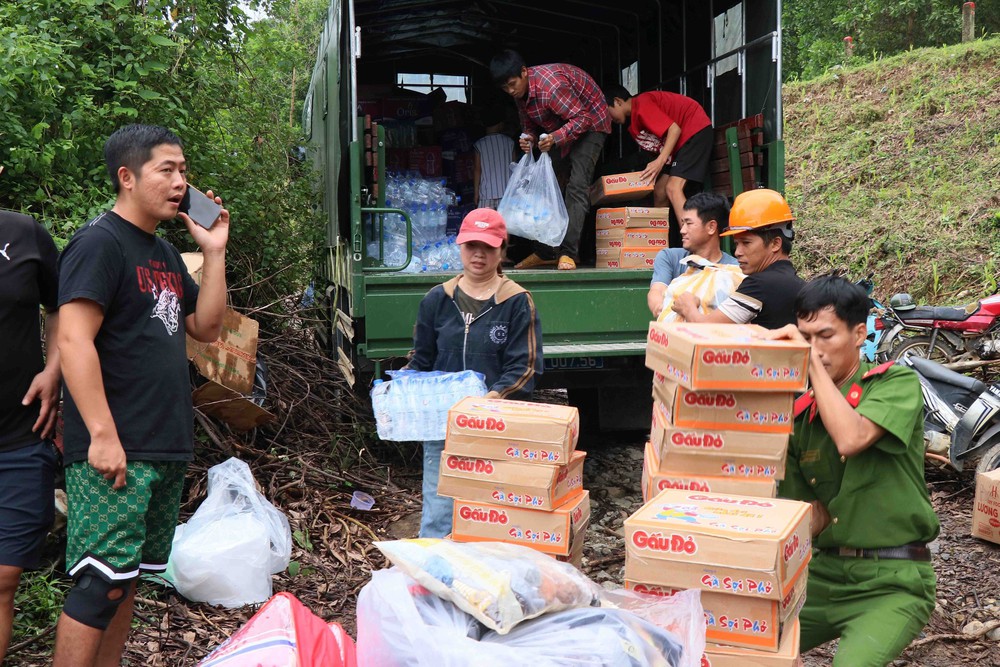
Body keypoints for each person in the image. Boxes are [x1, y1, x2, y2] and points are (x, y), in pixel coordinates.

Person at [54, 124, 230, 667]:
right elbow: (72, 338)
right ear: (127, 177)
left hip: (162, 443)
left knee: (126, 582)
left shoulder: (164, 254)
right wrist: (102, 436)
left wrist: (215, 251)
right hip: (114, 447)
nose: (180, 182)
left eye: (183, 171)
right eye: (166, 170)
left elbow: (206, 327)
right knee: (98, 584)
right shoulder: (98, 244)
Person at [763, 275, 939, 666]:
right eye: (806, 337)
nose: (816, 348)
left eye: (825, 335)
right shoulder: (800, 417)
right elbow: (799, 517)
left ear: (860, 333)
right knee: (739, 643)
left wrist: (809, 365)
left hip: (893, 581)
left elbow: (851, 438)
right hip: (824, 578)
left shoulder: (895, 383)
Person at [408, 208, 543, 537]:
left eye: (488, 246)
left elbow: (524, 367)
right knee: (439, 513)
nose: (479, 254)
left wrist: (489, 401)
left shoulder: (517, 302)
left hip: (496, 426)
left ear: (502, 250)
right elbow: (421, 359)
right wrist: (404, 389)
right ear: (460, 247)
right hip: (443, 425)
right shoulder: (437, 299)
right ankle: (435, 583)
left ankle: (485, 584)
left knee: (490, 514)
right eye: (471, 245)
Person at [0, 210, 60, 662]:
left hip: (19, 435)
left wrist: (54, 369)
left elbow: (62, 304)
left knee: (3, 579)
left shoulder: (24, 234)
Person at [490, 49, 611, 271]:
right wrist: (528, 139)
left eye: (512, 83)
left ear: (524, 72)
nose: (510, 90)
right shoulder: (520, 94)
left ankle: (569, 254)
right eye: (505, 88)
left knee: (576, 187)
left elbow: (582, 118)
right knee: (542, 186)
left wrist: (555, 138)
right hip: (561, 126)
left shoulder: (551, 88)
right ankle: (546, 252)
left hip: (591, 123)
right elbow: (529, 126)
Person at [671, 188, 804, 329]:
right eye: (736, 244)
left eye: (746, 243)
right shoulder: (799, 284)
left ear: (775, 244)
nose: (738, 252)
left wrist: (688, 307)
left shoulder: (758, 285)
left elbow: (708, 330)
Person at [604, 85, 713, 247]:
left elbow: (674, 130)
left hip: (693, 131)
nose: (609, 119)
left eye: (608, 112)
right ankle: (657, 247)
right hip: (677, 147)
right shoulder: (634, 123)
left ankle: (695, 244)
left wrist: (660, 161)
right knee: (660, 192)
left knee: (672, 188)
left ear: (618, 102)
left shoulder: (642, 104)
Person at [646, 191, 739, 318]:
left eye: (689, 223)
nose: (682, 230)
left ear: (711, 227)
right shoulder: (669, 257)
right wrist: (660, 308)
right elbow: (658, 290)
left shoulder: (735, 270)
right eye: (683, 223)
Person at [473, 106, 517, 210]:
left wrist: (476, 193)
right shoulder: (509, 143)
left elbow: (477, 170)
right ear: (500, 124)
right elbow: (515, 168)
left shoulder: (479, 144)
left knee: (486, 224)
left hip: (486, 194)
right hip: (506, 193)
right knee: (506, 224)